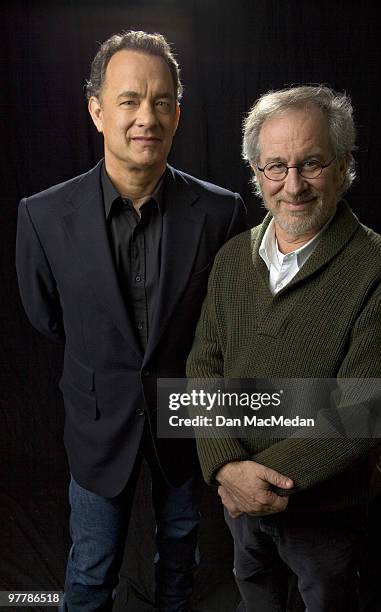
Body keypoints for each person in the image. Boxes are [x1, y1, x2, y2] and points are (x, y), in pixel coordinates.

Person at [15, 30, 246, 612]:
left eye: (162, 100)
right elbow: (46, 317)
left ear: (177, 112)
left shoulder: (222, 213)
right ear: (97, 111)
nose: (147, 116)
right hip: (98, 420)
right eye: (129, 100)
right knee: (91, 571)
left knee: (181, 561)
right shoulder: (42, 216)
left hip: (187, 418)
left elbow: (229, 326)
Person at [186, 85, 381, 612]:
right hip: (238, 504)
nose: (293, 185)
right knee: (256, 599)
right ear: (256, 172)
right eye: (275, 167)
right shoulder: (233, 258)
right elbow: (203, 368)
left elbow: (367, 409)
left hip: (329, 518)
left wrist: (258, 482)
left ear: (343, 165)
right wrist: (224, 468)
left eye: (310, 163)